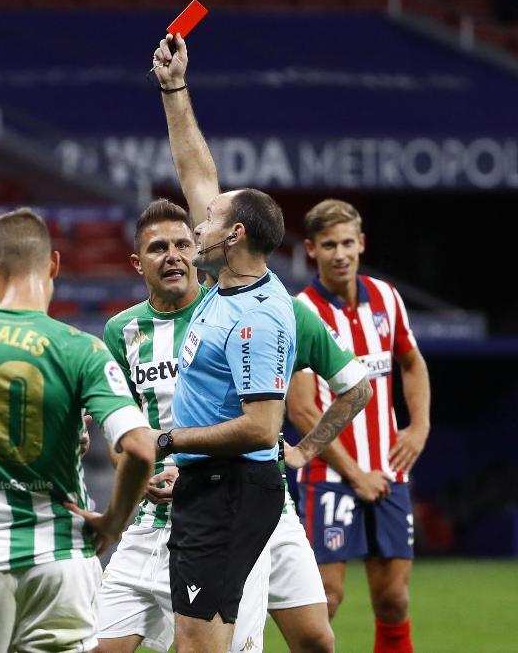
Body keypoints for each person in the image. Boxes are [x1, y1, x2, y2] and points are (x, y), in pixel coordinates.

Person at [147, 34, 375, 653]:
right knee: (308, 640)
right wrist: (174, 89)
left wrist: (167, 440)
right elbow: (197, 170)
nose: (197, 223)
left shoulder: (260, 318)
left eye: (210, 218)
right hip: (223, 484)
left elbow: (258, 427)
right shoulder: (226, 277)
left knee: (201, 646)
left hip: (228, 488)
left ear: (235, 233)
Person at [92, 200, 372, 653]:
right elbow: (123, 433)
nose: (174, 255)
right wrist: (139, 473)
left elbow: (353, 388)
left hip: (248, 502)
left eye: (184, 242)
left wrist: (302, 451)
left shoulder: (251, 306)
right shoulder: (121, 332)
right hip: (169, 515)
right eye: (158, 247)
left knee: (313, 639)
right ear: (136, 262)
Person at [0, 208, 155, 653]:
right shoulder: (83, 349)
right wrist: (114, 520)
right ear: (54, 265)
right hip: (61, 558)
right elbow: (142, 448)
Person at [290, 198, 431, 653]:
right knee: (324, 600)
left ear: (362, 242)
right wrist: (355, 474)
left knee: (393, 600)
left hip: (388, 469)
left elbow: (412, 362)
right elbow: (303, 410)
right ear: (311, 249)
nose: (340, 253)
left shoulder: (387, 297)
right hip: (329, 475)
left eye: (348, 242)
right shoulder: (300, 311)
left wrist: (419, 427)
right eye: (329, 244)